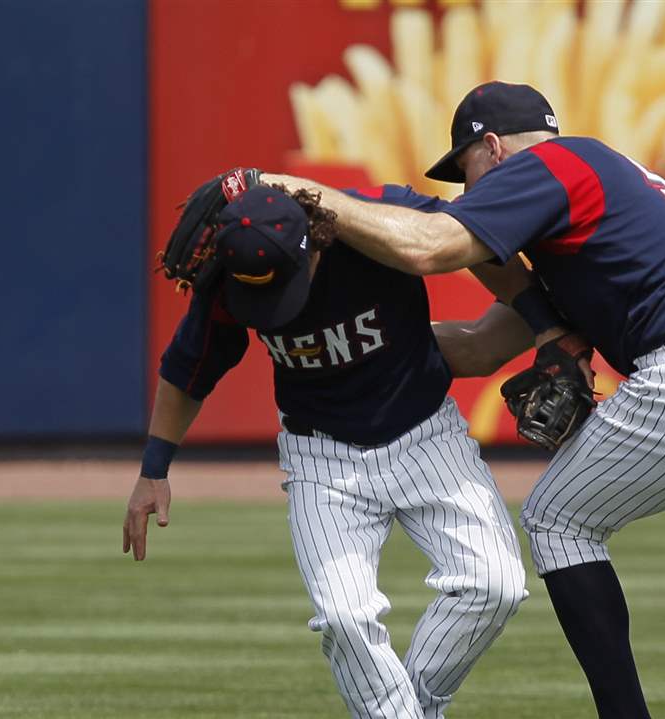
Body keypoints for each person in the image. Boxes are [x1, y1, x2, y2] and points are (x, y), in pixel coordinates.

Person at [264, 81, 665, 719]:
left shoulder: (553, 165)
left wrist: (300, 191)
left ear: (495, 147)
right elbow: (476, 348)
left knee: (558, 520)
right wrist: (332, 344)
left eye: (467, 169)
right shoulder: (592, 225)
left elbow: (426, 246)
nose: (468, 192)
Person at [121, 182, 530, 719]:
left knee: (495, 585)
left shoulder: (383, 222)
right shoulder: (226, 280)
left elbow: (477, 242)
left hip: (428, 434)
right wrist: (154, 470)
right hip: (322, 460)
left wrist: (552, 327)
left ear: (315, 243)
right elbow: (189, 371)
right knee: (344, 617)